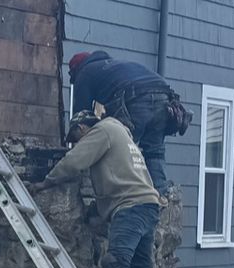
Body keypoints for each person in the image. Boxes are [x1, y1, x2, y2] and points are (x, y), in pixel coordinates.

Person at [42, 109, 163, 268]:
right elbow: (117, 177)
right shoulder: (121, 134)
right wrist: (94, 210)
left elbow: (74, 162)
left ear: (82, 128)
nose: (76, 144)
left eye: (75, 139)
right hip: (148, 204)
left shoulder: (102, 131)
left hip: (129, 207)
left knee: (116, 259)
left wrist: (46, 182)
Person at [67, 49, 177, 194]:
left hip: (136, 98)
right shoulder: (113, 67)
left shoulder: (85, 72)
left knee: (119, 147)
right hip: (164, 98)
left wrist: (79, 149)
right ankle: (161, 194)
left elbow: (81, 118)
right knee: (154, 151)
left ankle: (121, 196)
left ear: (75, 70)